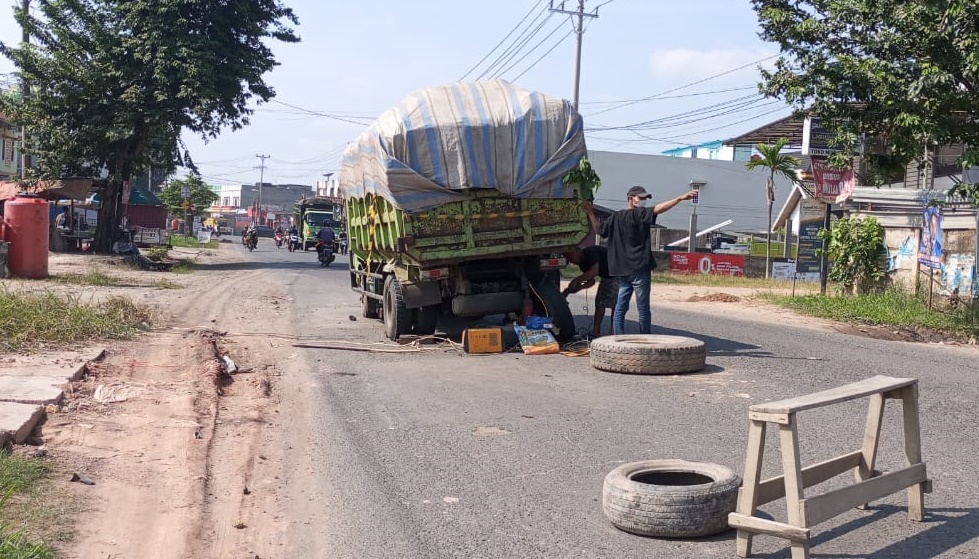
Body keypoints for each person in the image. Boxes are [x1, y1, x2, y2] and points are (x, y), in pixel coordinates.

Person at [590, 186, 698, 335]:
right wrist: (679, 198)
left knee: (620, 307)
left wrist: (589, 212)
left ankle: (618, 340)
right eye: (640, 198)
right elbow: (659, 209)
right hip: (639, 268)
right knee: (643, 308)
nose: (643, 201)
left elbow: (599, 230)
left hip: (622, 270)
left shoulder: (615, 217)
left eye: (645, 198)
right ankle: (645, 339)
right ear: (631, 199)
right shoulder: (639, 214)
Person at [562, 245, 619, 338]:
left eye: (571, 258)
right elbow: (591, 281)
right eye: (569, 260)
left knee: (615, 304)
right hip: (607, 276)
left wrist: (576, 280)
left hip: (618, 272)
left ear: (577, 251)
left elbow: (594, 271)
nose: (572, 262)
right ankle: (595, 331)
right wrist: (577, 289)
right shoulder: (582, 265)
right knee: (600, 302)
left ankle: (613, 331)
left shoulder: (590, 252)